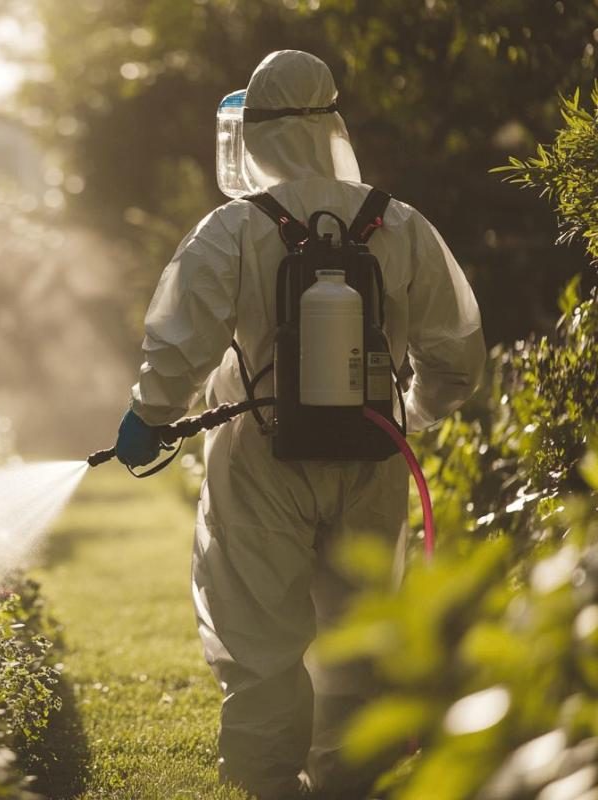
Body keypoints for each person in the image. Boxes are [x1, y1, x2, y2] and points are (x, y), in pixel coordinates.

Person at [114, 50, 485, 799]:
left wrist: (149, 417)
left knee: (260, 643)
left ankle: (269, 786)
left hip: (260, 463)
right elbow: (457, 354)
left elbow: (177, 345)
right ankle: (353, 781)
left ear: (251, 135)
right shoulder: (401, 225)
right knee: (357, 639)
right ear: (331, 126)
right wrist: (415, 413)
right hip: (372, 456)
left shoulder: (232, 230)